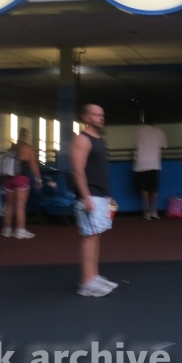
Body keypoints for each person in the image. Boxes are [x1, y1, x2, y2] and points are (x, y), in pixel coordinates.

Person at [71, 104, 118, 297]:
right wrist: (85, 196)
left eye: (102, 115)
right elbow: (78, 170)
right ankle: (86, 282)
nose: (101, 118)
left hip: (100, 196)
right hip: (89, 196)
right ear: (86, 117)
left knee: (96, 237)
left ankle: (94, 276)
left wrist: (108, 196)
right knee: (90, 238)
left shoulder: (100, 140)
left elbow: (98, 170)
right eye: (96, 115)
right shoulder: (82, 140)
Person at [0, 130, 42, 239]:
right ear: (27, 136)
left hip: (9, 179)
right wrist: (38, 179)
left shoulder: (11, 148)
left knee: (9, 205)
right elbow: (33, 165)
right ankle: (20, 231)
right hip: (21, 179)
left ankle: (7, 230)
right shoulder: (28, 148)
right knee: (20, 206)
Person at [134, 121, 167, 220]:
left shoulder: (139, 131)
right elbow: (165, 145)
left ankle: (146, 211)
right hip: (154, 163)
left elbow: (134, 144)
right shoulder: (159, 131)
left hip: (141, 163)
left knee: (144, 188)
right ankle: (154, 211)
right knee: (154, 188)